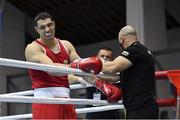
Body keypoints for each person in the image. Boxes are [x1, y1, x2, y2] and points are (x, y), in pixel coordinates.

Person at [25, 12, 121, 119]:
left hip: (66, 100)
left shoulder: (67, 45)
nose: (47, 30)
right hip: (45, 100)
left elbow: (83, 70)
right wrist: (76, 65)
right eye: (42, 27)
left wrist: (101, 85)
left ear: (54, 24)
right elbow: (51, 68)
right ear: (36, 29)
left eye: (49, 25)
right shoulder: (33, 48)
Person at [102, 25, 159, 119]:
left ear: (121, 39)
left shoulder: (134, 50)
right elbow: (116, 77)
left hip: (140, 108)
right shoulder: (142, 50)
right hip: (142, 107)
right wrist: (94, 75)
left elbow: (112, 67)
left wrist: (92, 65)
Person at [85, 47, 124, 119]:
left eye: (107, 57)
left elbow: (115, 78)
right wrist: (81, 79)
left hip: (111, 115)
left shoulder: (116, 73)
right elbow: (72, 76)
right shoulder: (88, 72)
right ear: (97, 57)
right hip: (92, 115)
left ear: (112, 60)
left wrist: (96, 76)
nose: (105, 58)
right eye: (102, 56)